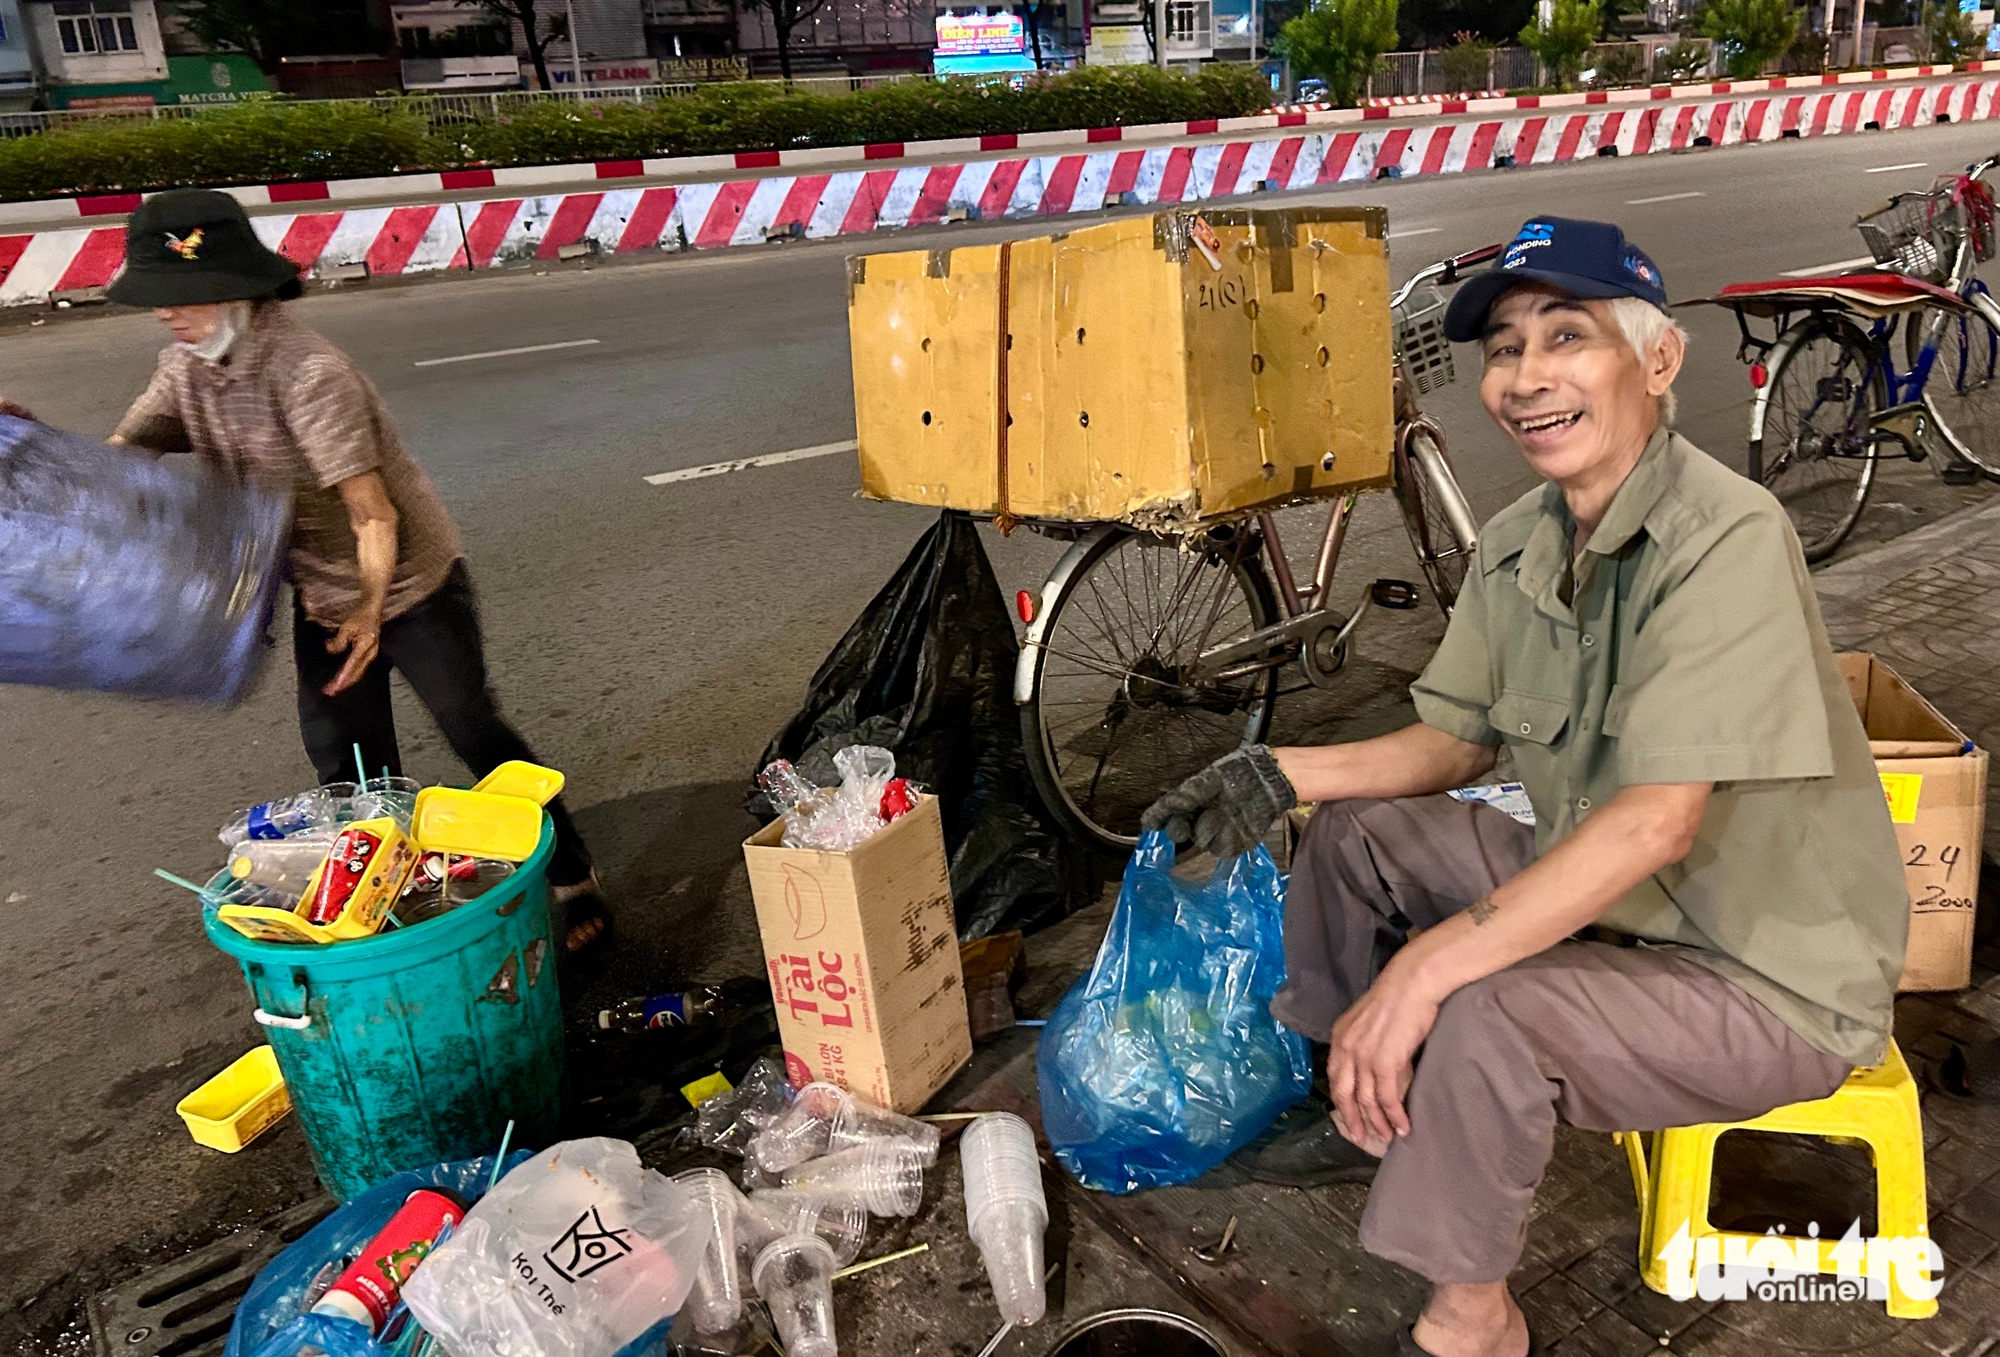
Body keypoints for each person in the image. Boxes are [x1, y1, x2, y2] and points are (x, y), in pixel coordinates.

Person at [1142, 217, 1909, 1357]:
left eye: (1567, 336)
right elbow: (1454, 742)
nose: (1526, 376)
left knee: (1485, 1010)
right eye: (1504, 348)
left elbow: (1657, 821)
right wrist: (1277, 772)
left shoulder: (1726, 538)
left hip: (1759, 971)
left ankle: (1474, 1318)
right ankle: (1357, 1089)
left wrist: (1425, 969)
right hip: (1619, 903)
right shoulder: (1518, 541)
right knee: (1358, 833)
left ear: (1657, 360)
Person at [97, 189, 610, 951]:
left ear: (239, 288)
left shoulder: (308, 374)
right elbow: (122, 457)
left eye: (185, 294)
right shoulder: (185, 369)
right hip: (322, 589)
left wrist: (371, 610)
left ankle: (575, 876)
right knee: (345, 759)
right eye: (159, 297)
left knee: (472, 727)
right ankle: (384, 899)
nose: (167, 312)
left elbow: (373, 515)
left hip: (407, 581)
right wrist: (33, 449)